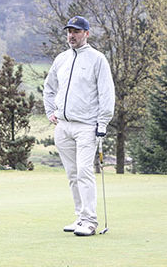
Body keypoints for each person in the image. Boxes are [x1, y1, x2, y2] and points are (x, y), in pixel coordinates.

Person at [42, 16, 115, 237]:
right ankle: (80, 217)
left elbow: (106, 93)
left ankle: (90, 221)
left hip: (87, 126)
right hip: (63, 126)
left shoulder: (97, 59)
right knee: (72, 174)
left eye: (76, 31)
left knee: (84, 172)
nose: (71, 35)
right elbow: (49, 87)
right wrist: (50, 111)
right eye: (69, 31)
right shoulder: (61, 59)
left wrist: (102, 122)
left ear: (86, 33)